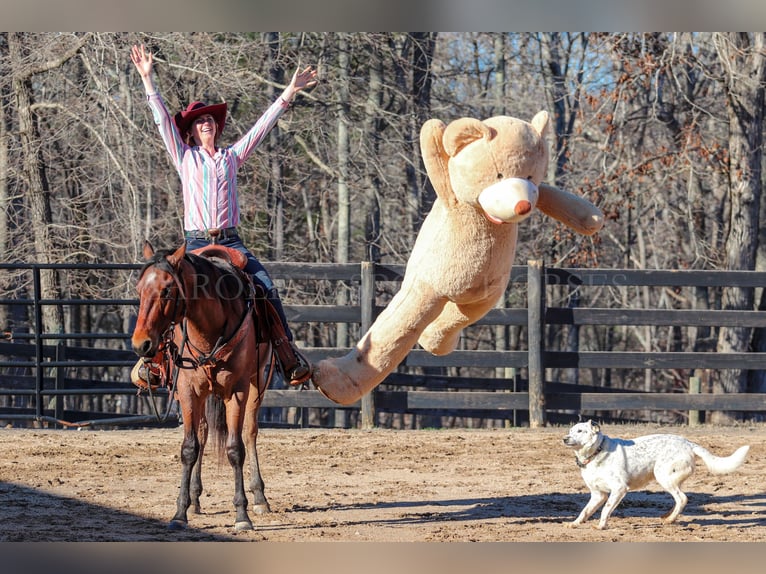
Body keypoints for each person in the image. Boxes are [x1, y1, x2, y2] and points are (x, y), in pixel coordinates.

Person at [129, 43, 317, 387]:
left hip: (230, 240)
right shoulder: (184, 157)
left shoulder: (232, 156)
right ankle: (156, 364)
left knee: (265, 286)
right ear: (191, 131)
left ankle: (287, 355)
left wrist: (290, 91)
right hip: (195, 244)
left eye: (210, 121)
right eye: (200, 121)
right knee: (170, 294)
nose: (207, 124)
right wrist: (148, 80)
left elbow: (262, 127)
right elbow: (161, 123)